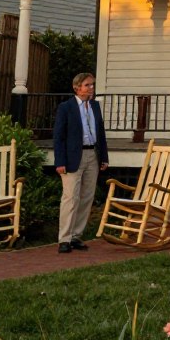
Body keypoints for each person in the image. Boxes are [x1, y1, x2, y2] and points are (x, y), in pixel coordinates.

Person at [53, 72, 109, 252]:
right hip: (72, 158)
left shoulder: (95, 106)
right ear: (77, 87)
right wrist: (60, 161)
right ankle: (64, 239)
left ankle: (76, 235)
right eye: (87, 85)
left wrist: (104, 157)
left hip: (93, 155)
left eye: (92, 85)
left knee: (86, 196)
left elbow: (101, 133)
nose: (91, 88)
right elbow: (59, 137)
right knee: (70, 197)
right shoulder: (66, 107)